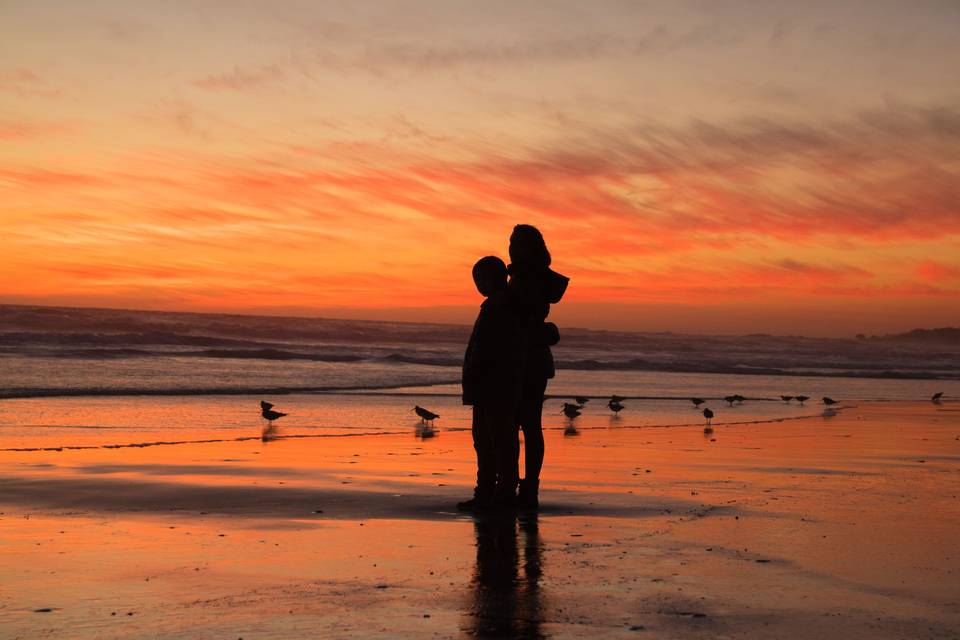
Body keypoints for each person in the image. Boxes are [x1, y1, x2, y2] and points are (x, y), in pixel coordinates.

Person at [507, 225, 569, 509]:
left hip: (524, 360)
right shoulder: (530, 276)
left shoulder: (527, 278)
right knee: (528, 425)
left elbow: (521, 322)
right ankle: (526, 485)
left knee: (523, 425)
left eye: (517, 242)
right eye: (511, 242)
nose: (511, 247)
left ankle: (523, 486)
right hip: (531, 359)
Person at [459, 256, 523, 510]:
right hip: (493, 383)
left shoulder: (500, 306)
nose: (477, 284)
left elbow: (488, 347)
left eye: (479, 279)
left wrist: (475, 372)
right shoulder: (499, 305)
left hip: (494, 384)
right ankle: (491, 490)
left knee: (493, 439)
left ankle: (498, 491)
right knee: (489, 439)